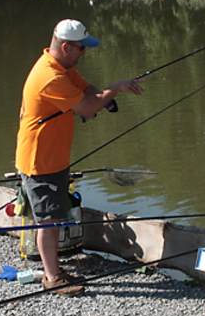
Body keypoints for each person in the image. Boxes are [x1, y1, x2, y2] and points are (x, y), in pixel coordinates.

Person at [15, 19, 143, 295]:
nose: (84, 53)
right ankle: (52, 277)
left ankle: (55, 268)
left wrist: (104, 97)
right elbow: (85, 108)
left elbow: (86, 90)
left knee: (53, 215)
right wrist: (115, 89)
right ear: (65, 47)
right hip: (40, 161)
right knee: (47, 222)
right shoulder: (51, 77)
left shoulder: (60, 66)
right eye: (81, 49)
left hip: (54, 157)